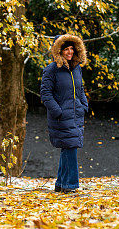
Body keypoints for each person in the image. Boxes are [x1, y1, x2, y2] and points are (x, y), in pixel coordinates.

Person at [40, 34, 89, 193]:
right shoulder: (51, 70)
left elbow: (80, 90)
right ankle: (71, 185)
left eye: (71, 49)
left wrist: (84, 105)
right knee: (71, 147)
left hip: (76, 115)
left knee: (68, 147)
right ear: (58, 51)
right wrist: (58, 112)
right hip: (61, 117)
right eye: (66, 49)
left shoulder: (77, 69)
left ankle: (61, 184)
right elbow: (46, 94)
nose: (69, 52)